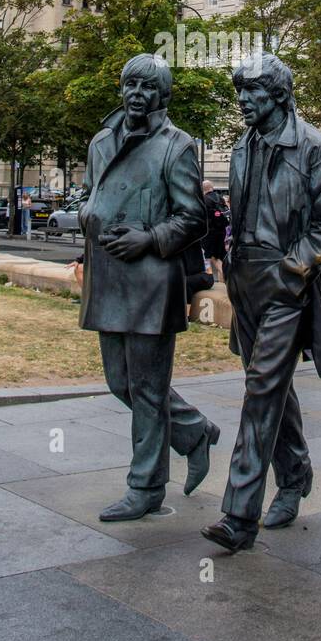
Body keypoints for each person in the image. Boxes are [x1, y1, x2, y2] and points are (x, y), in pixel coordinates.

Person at [202, 54, 321, 554]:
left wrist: (294, 269)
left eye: (253, 93)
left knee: (262, 388)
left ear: (280, 95)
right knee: (270, 386)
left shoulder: (314, 148)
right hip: (246, 283)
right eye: (240, 92)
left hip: (287, 283)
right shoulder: (243, 144)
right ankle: (296, 473)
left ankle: (239, 515)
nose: (243, 101)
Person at [79, 53, 220, 521]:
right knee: (121, 383)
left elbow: (193, 218)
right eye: (130, 86)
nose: (136, 95)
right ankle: (194, 431)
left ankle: (146, 487)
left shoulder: (175, 146)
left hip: (151, 280)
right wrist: (88, 217)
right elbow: (86, 197)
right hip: (108, 276)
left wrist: (149, 238)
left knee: (148, 388)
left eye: (146, 88)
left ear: (161, 94)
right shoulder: (101, 142)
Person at [201, 179, 228, 281]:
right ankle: (223, 282)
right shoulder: (220, 198)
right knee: (219, 257)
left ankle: (222, 275)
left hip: (210, 233)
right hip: (222, 232)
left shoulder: (204, 199)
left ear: (203, 189)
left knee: (212, 257)